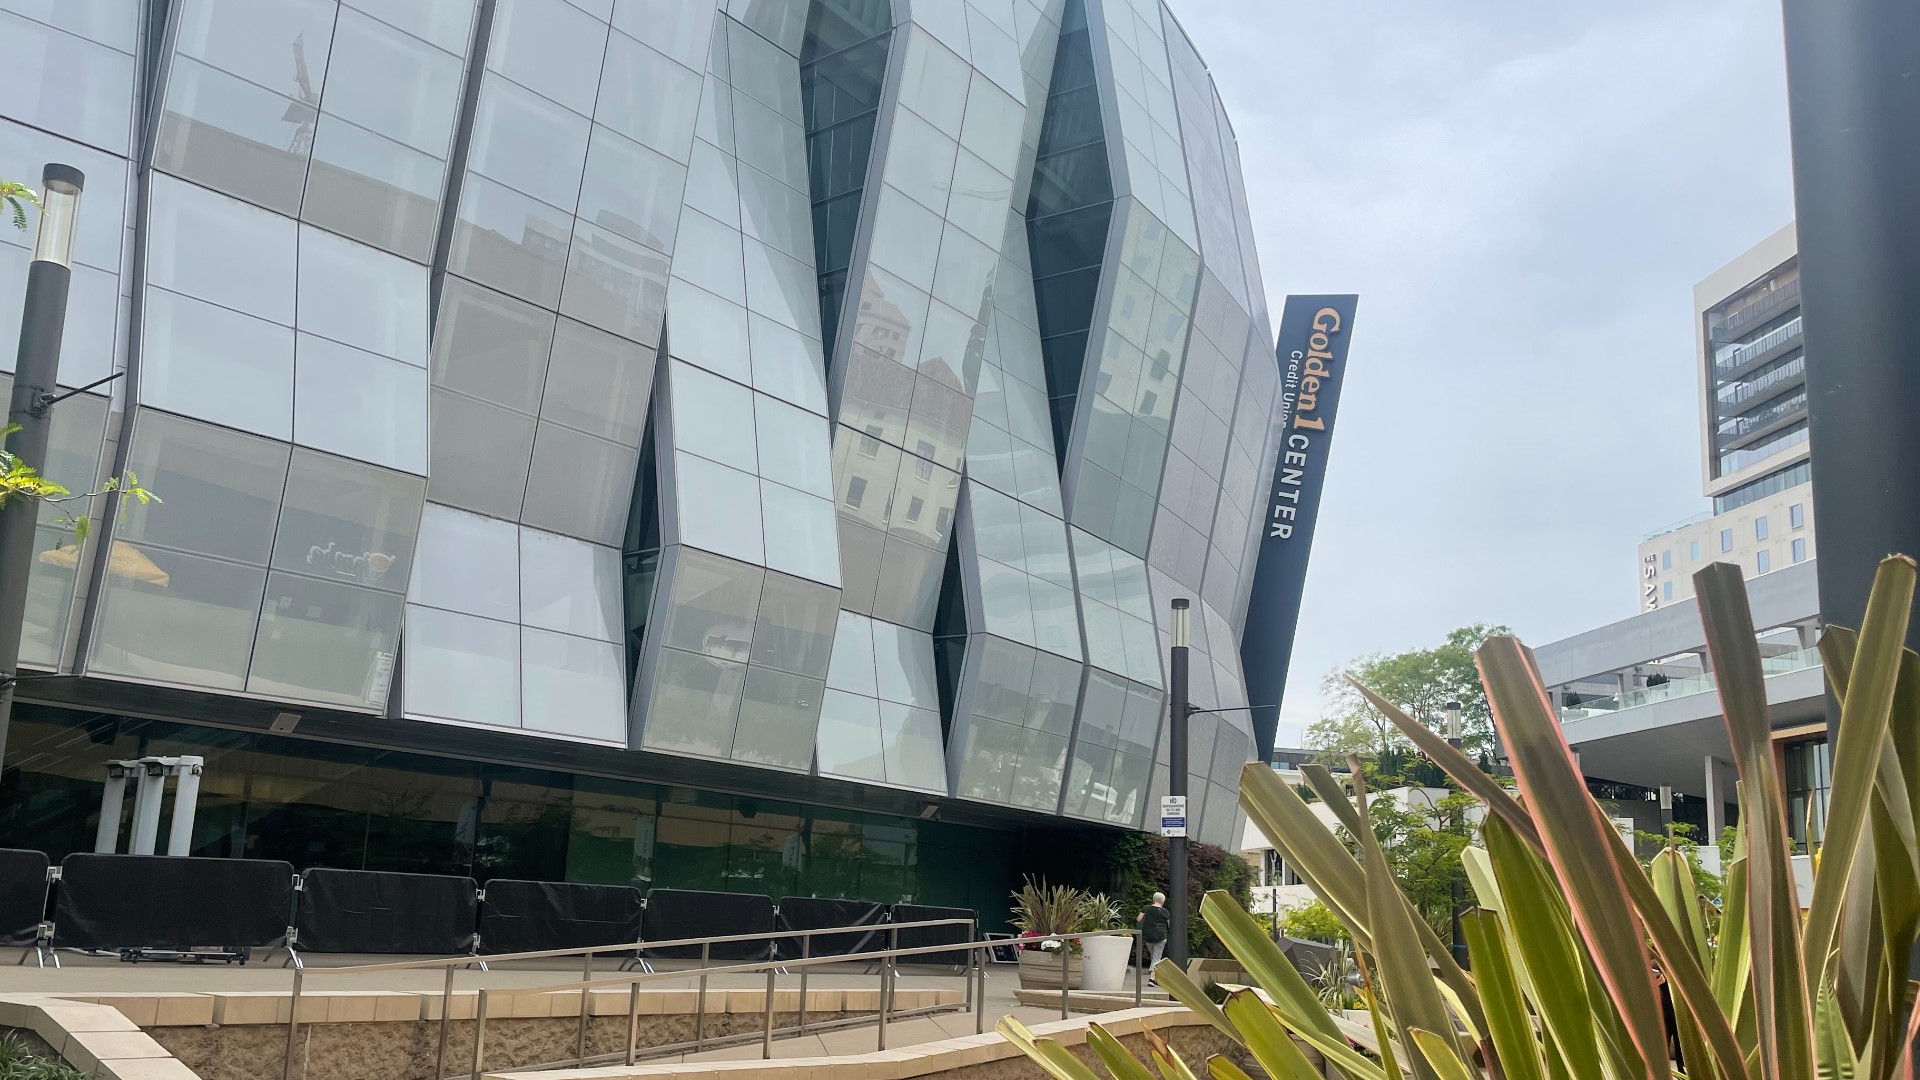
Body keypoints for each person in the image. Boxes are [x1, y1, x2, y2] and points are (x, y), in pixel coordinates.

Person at [1137, 892, 1171, 982]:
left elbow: (1139, 919)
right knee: (1156, 957)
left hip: (1148, 935)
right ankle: (1152, 978)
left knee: (1154, 956)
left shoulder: (1146, 908)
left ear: (1154, 899)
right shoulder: (1165, 911)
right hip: (1161, 935)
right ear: (1162, 901)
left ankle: (1154, 974)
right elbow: (1169, 924)